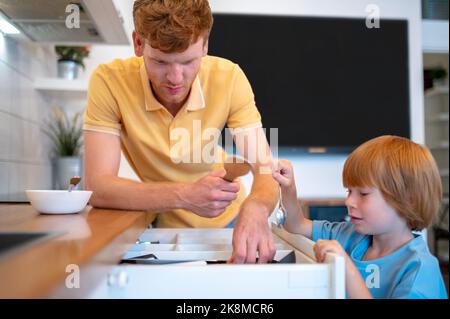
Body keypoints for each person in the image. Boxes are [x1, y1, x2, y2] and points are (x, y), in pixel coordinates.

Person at [82, 0, 278, 263]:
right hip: (160, 228)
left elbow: (265, 167)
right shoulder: (109, 81)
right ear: (138, 44)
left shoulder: (229, 78)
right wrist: (186, 195)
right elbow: (97, 186)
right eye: (161, 62)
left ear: (205, 46)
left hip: (228, 222)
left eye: (188, 61)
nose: (175, 78)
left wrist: (256, 206)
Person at [272, 135, 448, 298]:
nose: (349, 201)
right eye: (349, 191)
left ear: (408, 200)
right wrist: (289, 188)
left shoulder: (420, 270)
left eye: (363, 194)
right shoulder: (350, 234)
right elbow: (297, 225)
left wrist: (347, 268)